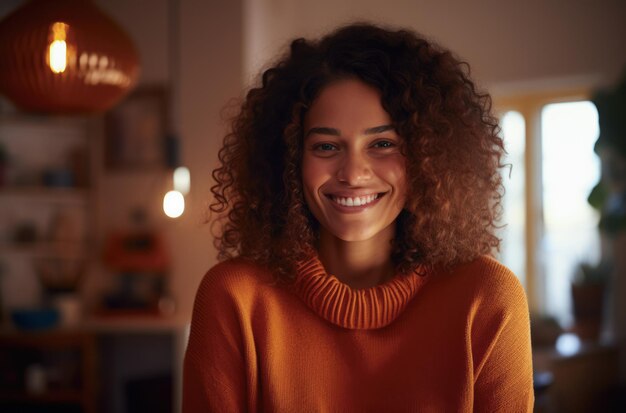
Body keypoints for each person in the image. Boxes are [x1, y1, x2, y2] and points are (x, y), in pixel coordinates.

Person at [183, 23, 534, 412]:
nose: (352, 173)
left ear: (427, 158)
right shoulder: (234, 297)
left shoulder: (485, 298)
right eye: (326, 146)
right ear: (289, 160)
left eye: (382, 144)